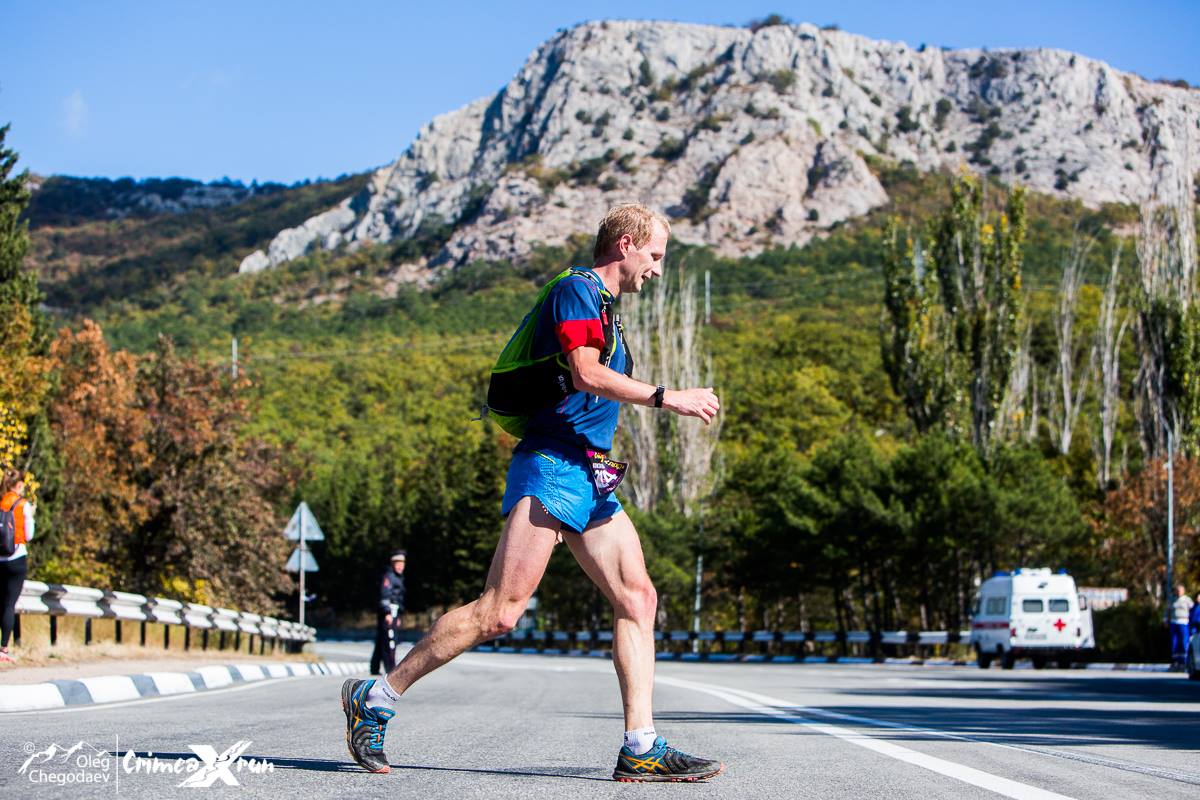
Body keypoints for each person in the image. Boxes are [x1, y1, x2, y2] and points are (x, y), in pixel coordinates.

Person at [340, 204, 725, 782]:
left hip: (591, 472)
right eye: (654, 255)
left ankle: (640, 745)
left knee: (638, 599)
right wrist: (671, 397)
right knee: (499, 612)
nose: (657, 269)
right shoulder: (577, 290)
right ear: (625, 244)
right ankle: (376, 696)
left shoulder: (607, 310)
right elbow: (585, 374)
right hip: (551, 465)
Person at [0, 469, 35, 664]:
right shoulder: (23, 505)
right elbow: (29, 535)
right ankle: (3, 648)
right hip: (16, 557)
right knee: (8, 604)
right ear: (19, 485)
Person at [370, 551, 407, 675]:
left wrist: (399, 615)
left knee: (382, 640)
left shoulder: (398, 577)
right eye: (398, 563)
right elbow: (385, 595)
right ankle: (391, 670)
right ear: (392, 564)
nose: (401, 566)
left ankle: (374, 667)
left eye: (402, 563)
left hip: (394, 612)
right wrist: (387, 613)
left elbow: (399, 597)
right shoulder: (389, 576)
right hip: (389, 612)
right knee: (390, 641)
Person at [1170, 584, 1193, 669]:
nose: (1179, 592)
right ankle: (1175, 661)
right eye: (1177, 590)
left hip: (1183, 622)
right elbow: (1168, 609)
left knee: (1184, 641)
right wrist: (1165, 618)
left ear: (1183, 591)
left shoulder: (1187, 600)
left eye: (1180, 590)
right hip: (1174, 622)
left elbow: (1193, 609)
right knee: (1174, 642)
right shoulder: (1173, 599)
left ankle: (1184, 661)